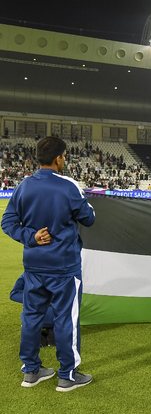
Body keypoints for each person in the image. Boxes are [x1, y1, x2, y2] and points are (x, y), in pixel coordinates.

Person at [1, 137, 95, 391]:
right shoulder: (69, 186)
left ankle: (31, 371)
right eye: (64, 157)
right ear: (59, 158)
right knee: (67, 319)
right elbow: (89, 219)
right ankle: (68, 376)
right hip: (64, 267)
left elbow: (7, 222)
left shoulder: (24, 186)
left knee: (31, 318)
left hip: (34, 267)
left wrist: (30, 237)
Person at [10, 274, 56, 347]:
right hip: (58, 319)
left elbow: (14, 294)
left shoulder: (27, 273)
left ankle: (35, 333)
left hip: (34, 318)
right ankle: (52, 332)